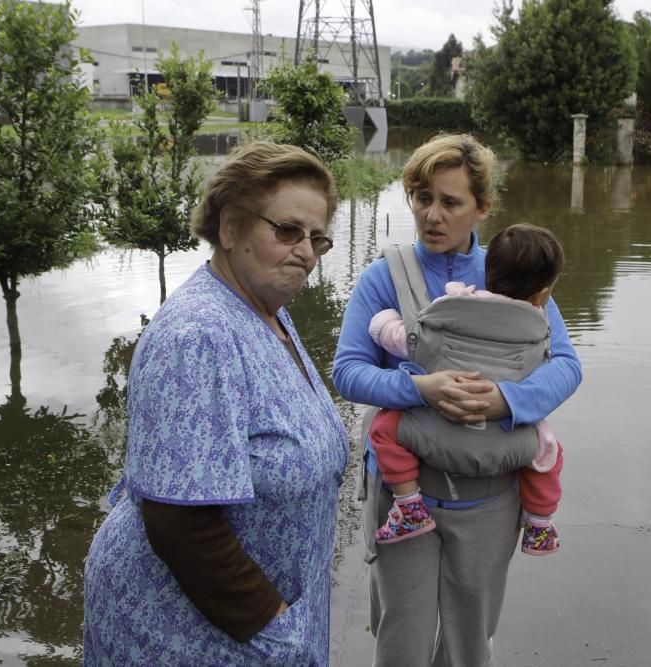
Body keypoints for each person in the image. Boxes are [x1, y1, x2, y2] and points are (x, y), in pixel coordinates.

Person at [83, 141, 349, 666]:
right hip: (188, 635)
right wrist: (276, 632)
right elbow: (182, 525)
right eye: (287, 231)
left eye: (318, 239)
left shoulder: (266, 310)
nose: (306, 251)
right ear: (230, 228)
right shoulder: (198, 336)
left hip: (250, 628)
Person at [332, 134, 582, 665]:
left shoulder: (517, 273)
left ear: (482, 208)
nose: (433, 216)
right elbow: (348, 372)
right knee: (402, 638)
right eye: (423, 199)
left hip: (489, 495)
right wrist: (417, 387)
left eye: (451, 202)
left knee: (471, 643)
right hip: (405, 492)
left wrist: (507, 401)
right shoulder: (384, 277)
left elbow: (566, 365)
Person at [367, 223, 566, 557]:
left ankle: (408, 505)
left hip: (434, 433)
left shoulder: (454, 301)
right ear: (542, 295)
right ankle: (540, 522)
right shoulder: (539, 327)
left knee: (383, 428)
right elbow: (559, 367)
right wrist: (507, 400)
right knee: (548, 451)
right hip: (508, 442)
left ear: (487, 273)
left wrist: (383, 323)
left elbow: (410, 342)